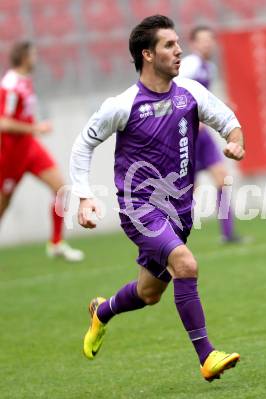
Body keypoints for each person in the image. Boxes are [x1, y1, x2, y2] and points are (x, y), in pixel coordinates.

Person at [70, 15, 245, 382]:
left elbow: (227, 118)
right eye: (169, 45)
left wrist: (235, 140)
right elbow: (84, 144)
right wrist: (84, 197)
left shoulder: (190, 92)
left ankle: (102, 312)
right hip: (140, 208)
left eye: (178, 43)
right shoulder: (123, 104)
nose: (179, 50)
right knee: (186, 264)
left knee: (149, 293)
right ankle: (207, 356)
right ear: (147, 55)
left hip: (179, 212)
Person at [0, 41, 84, 262]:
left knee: (61, 188)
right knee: (4, 202)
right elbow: (3, 123)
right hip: (11, 154)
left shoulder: (24, 82)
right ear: (24, 57)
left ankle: (56, 243)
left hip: (30, 148)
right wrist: (35, 128)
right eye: (33, 54)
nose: (35, 58)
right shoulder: (10, 85)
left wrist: (32, 129)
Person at [179, 26, 244, 243]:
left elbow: (204, 99)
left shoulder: (210, 68)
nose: (207, 44)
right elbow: (178, 92)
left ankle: (228, 234)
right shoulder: (190, 65)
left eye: (210, 40)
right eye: (202, 40)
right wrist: (190, 119)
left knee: (222, 179)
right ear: (193, 44)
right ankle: (170, 239)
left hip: (203, 136)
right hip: (187, 137)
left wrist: (221, 107)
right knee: (188, 192)